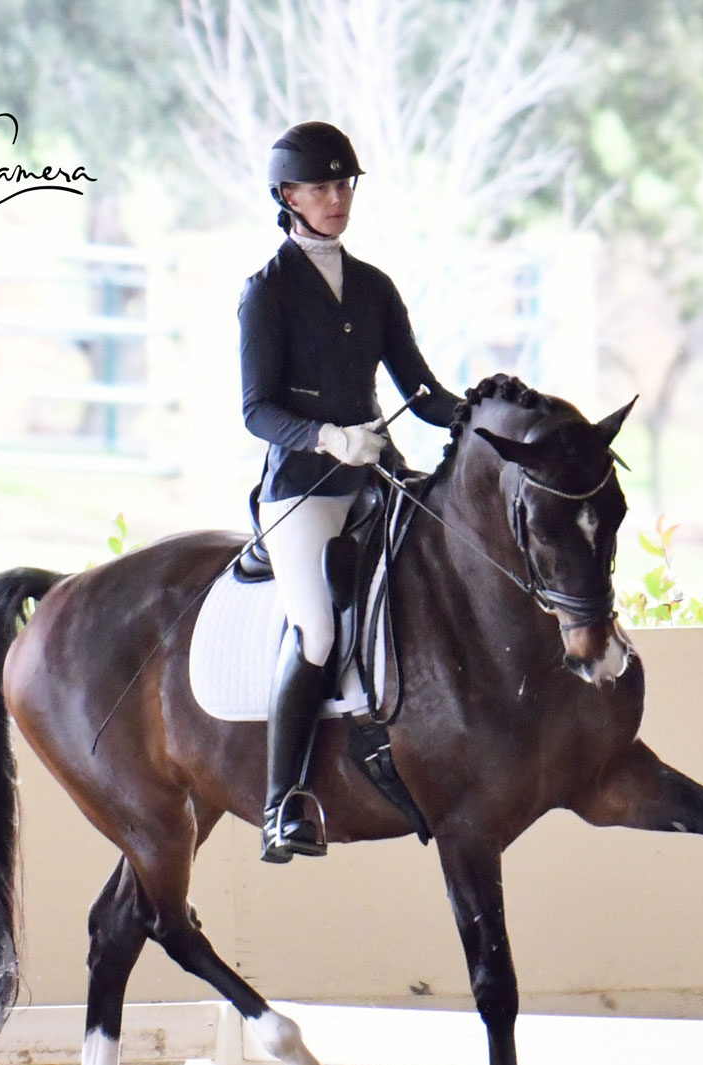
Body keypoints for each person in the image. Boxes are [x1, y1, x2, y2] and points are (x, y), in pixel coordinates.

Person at [239, 120, 462, 865]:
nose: (336, 199)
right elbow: (256, 411)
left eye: (343, 186)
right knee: (319, 632)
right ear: (288, 196)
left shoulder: (372, 286)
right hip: (304, 490)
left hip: (378, 477)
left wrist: (486, 417)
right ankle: (282, 804)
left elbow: (422, 391)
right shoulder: (266, 293)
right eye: (321, 188)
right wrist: (330, 437)